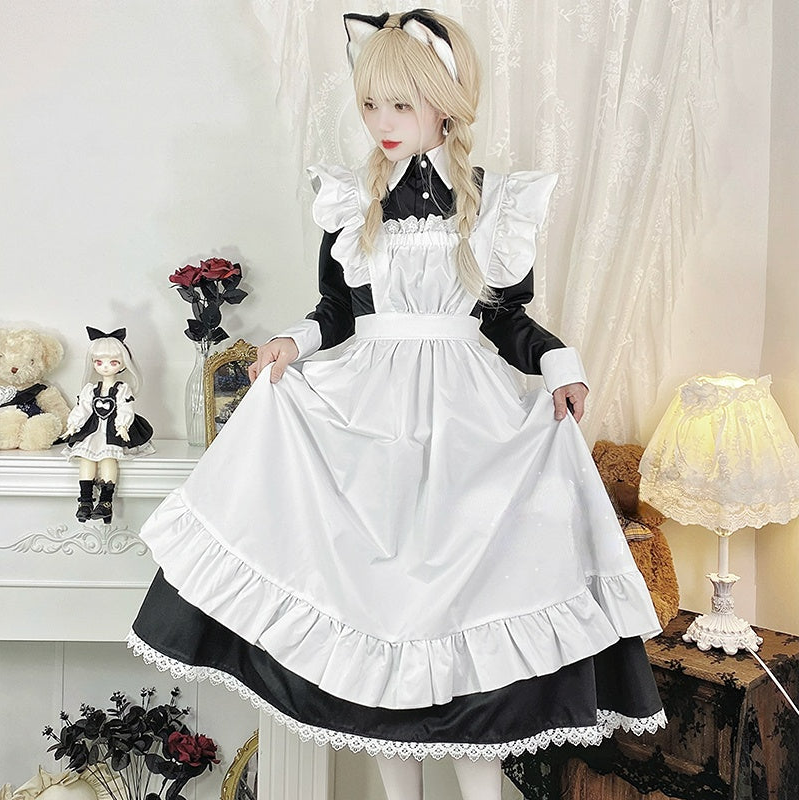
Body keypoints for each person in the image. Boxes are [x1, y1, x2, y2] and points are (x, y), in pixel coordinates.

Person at [130, 10, 664, 800]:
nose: (381, 122)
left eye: (400, 105)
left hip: (466, 426)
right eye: (370, 104)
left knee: (465, 618)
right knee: (376, 613)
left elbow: (505, 319)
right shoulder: (351, 200)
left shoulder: (493, 201)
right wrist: (291, 344)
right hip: (368, 422)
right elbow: (338, 310)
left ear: (446, 103)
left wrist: (560, 366)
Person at [63, 327, 154, 523]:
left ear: (123, 364)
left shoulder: (122, 389)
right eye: (99, 362)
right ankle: (85, 501)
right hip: (93, 430)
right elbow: (83, 408)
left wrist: (122, 426)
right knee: (86, 459)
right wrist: (73, 425)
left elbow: (125, 408)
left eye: (113, 362)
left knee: (108, 459)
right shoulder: (90, 389)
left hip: (112, 431)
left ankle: (105, 502)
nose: (105, 367)